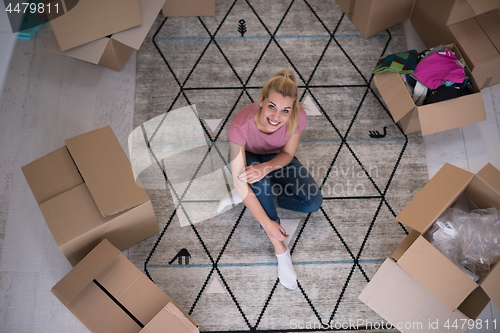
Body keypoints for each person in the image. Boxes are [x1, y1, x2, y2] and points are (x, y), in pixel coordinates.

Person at [223, 69, 323, 290]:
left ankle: (256, 195)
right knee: (252, 181)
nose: (277, 117)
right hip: (248, 159)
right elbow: (240, 180)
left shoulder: (298, 117)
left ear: (293, 109)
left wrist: (266, 168)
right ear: (261, 101)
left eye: (285, 110)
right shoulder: (240, 126)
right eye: (272, 107)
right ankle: (281, 252)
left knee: (312, 202)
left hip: (275, 160)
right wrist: (269, 224)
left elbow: (287, 155)